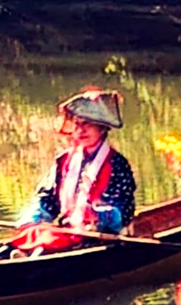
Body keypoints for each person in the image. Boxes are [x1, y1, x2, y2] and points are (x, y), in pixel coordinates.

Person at [12, 88, 136, 252]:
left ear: (102, 128)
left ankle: (31, 259)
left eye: (87, 124)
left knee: (45, 246)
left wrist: (97, 214)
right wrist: (33, 218)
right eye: (77, 124)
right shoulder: (63, 161)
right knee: (27, 236)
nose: (80, 130)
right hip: (67, 231)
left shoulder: (118, 164)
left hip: (98, 237)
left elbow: (124, 209)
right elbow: (47, 199)